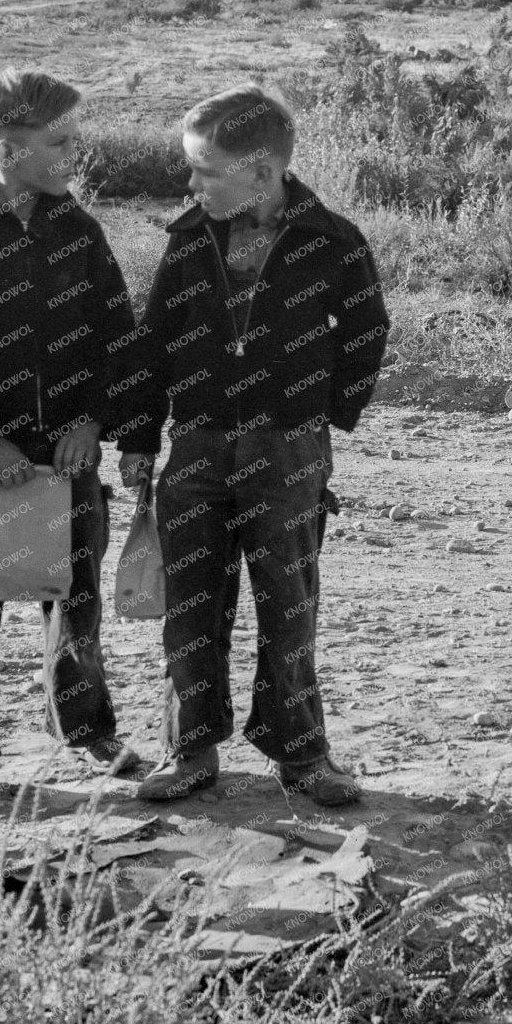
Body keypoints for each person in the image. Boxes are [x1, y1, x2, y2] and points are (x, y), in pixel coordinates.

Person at [117, 85, 390, 807]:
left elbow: (366, 335)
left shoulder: (334, 241)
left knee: (289, 604)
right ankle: (191, 748)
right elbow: (154, 346)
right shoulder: (186, 242)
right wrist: (140, 438)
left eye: (206, 170)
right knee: (191, 606)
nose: (192, 183)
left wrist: (318, 414)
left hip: (289, 451)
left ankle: (302, 754)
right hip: (197, 447)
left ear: (262, 172)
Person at [0, 69, 145, 804]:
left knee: (74, 599)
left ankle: (88, 729)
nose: (75, 151)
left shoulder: (81, 232)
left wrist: (94, 420)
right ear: (7, 150)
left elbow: (117, 338)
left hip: (68, 456)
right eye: (60, 140)